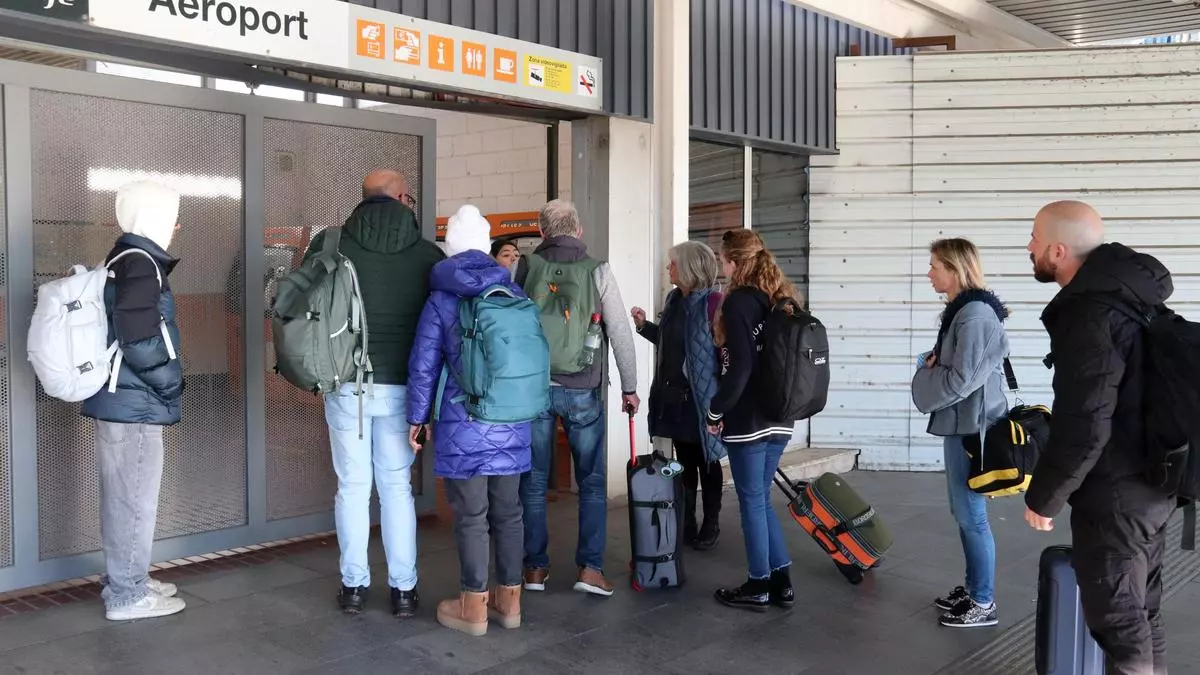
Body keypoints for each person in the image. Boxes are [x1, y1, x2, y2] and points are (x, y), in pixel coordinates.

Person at [1024, 200, 1175, 674]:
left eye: (1034, 238)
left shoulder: (1088, 312)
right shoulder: (1129, 294)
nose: (1028, 247)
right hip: (1152, 479)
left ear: (1058, 250)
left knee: (1119, 619)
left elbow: (1086, 420)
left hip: (1116, 493)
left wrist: (1045, 496)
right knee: (1140, 608)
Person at [304, 169, 445, 617]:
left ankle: (353, 587)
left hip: (348, 383)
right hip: (405, 389)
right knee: (396, 487)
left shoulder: (330, 245)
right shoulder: (428, 255)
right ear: (402, 198)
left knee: (352, 487)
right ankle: (403, 591)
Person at [407, 205, 532, 637]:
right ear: (485, 246)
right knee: (510, 513)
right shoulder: (514, 293)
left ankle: (473, 607)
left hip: (464, 421)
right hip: (513, 418)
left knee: (473, 516)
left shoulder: (442, 298)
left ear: (450, 249)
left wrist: (417, 418)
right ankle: (510, 603)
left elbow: (424, 366)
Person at [515, 199, 640, 597]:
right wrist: (630, 387)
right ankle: (590, 569)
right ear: (579, 230)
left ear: (542, 232)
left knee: (533, 480)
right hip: (583, 387)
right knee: (591, 480)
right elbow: (619, 332)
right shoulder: (598, 270)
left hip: (534, 388)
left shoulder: (525, 266)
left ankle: (534, 569)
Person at [80, 181, 186, 621]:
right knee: (133, 500)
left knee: (125, 496)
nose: (177, 226)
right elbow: (138, 337)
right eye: (172, 217)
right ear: (153, 217)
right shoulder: (142, 263)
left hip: (121, 399)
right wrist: (170, 382)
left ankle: (127, 578)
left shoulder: (124, 257)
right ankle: (127, 594)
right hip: (134, 402)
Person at [911, 238, 1010, 629]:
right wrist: (933, 363)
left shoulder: (975, 315)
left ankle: (983, 601)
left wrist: (926, 375)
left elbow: (961, 380)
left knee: (972, 515)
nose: (929, 273)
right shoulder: (965, 312)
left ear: (954, 269)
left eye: (935, 266)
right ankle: (973, 589)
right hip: (964, 423)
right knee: (964, 511)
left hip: (972, 428)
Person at [704, 230, 798, 612]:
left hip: (749, 420)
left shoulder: (740, 302)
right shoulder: (778, 298)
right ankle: (782, 582)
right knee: (761, 500)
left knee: (752, 503)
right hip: (780, 416)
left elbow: (739, 368)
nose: (721, 267)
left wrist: (715, 410)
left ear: (733, 262)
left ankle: (758, 583)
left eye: (722, 260)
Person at [631, 241, 726, 550]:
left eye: (672, 263)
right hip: (675, 400)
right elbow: (670, 342)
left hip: (702, 400)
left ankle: (710, 524)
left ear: (688, 267)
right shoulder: (674, 300)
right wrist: (644, 327)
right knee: (684, 463)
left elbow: (723, 352)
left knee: (708, 463)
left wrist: (724, 399)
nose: (668, 268)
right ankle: (686, 522)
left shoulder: (713, 303)